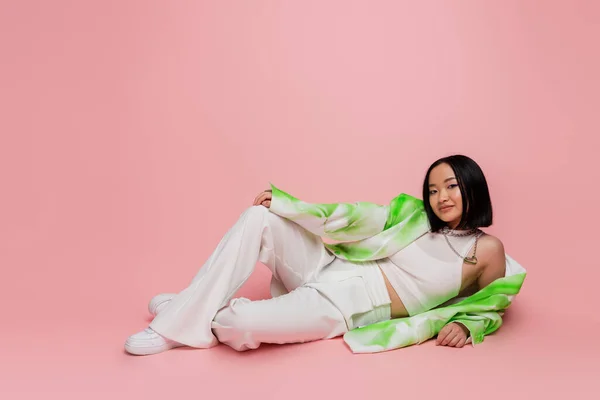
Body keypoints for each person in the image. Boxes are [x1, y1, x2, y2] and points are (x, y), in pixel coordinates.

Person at [124, 154, 509, 355]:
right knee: (260, 216)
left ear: (473, 187)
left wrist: (469, 326)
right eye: (432, 189)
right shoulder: (412, 215)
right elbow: (356, 215)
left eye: (451, 186)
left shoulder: (488, 251)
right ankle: (178, 325)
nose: (440, 197)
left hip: (353, 303)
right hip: (330, 264)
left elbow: (491, 304)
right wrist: (291, 205)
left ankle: (189, 307)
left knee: (238, 324)